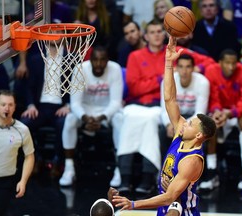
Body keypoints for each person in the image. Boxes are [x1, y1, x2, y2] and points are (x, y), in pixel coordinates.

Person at [112, 36, 217, 215]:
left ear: (199, 136)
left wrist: (133, 204)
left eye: (191, 123)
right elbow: (170, 98)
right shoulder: (181, 133)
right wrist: (168, 63)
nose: (185, 122)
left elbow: (170, 197)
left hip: (181, 212)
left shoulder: (191, 161)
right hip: (165, 206)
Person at [59, 46, 123, 186]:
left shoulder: (115, 69)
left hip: (106, 110)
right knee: (69, 120)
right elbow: (75, 103)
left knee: (120, 120)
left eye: (102, 60)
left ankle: (119, 168)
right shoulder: (80, 69)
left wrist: (100, 118)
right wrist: (86, 118)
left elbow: (116, 102)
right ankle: (69, 168)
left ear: (108, 60)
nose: (99, 64)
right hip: (85, 109)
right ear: (90, 60)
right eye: (95, 60)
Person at [116, 20, 166, 196]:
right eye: (152, 32)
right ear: (146, 36)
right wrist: (160, 80)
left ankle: (147, 177)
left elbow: (203, 61)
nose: (157, 35)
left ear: (164, 34)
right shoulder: (135, 56)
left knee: (151, 120)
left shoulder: (171, 54)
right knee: (129, 118)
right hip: (136, 103)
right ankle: (125, 177)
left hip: (159, 105)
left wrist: (201, 67)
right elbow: (134, 87)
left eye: (160, 31)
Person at [201, 49, 242, 191]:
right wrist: (217, 112)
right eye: (227, 63)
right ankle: (212, 173)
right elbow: (213, 97)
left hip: (239, 113)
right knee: (212, 122)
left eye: (233, 63)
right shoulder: (211, 71)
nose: (231, 67)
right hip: (222, 113)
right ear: (220, 63)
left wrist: (231, 113)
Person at [19, 35, 70, 178]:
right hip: (39, 107)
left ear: (64, 36)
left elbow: (77, 85)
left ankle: (57, 161)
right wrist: (30, 105)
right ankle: (36, 158)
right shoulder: (36, 59)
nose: (54, 34)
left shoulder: (71, 59)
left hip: (61, 107)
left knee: (65, 123)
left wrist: (69, 105)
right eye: (51, 31)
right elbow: (29, 86)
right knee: (25, 124)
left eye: (58, 31)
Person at [0, 90, 35, 216]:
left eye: (10, 105)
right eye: (3, 104)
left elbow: (29, 156)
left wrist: (23, 181)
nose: (7, 108)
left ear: (15, 107)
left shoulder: (23, 130)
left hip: (4, 183)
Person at [160, 54, 210, 158]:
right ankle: (163, 169)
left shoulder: (203, 82)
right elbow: (164, 108)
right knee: (163, 131)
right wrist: (169, 124)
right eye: (181, 67)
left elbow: (200, 113)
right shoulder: (167, 81)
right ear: (176, 68)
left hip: (193, 118)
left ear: (193, 68)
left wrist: (184, 127)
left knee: (200, 132)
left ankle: (197, 170)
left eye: (188, 67)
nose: (184, 71)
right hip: (174, 116)